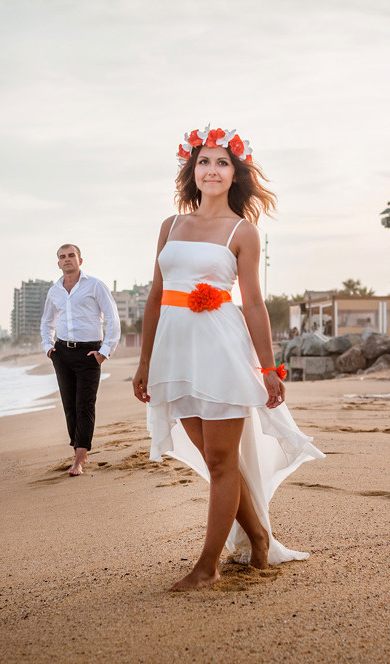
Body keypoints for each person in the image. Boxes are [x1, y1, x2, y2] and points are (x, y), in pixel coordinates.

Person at [132, 126, 324, 591]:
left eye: (222, 162)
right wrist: (144, 362)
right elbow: (156, 297)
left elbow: (253, 304)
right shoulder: (170, 226)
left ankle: (208, 566)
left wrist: (270, 369)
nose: (212, 170)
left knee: (221, 461)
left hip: (222, 351)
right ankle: (258, 539)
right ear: (192, 171)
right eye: (204, 161)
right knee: (217, 460)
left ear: (235, 174)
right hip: (176, 356)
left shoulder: (244, 232)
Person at [41, 243, 120, 476]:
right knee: (69, 406)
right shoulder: (54, 291)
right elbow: (47, 322)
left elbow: (113, 318)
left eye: (71, 255)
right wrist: (49, 348)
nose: (67, 259)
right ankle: (77, 449)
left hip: (89, 354)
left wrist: (104, 352)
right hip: (62, 353)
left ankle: (80, 458)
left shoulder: (95, 285)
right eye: (62, 256)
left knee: (84, 405)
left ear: (80, 260)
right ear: (58, 263)